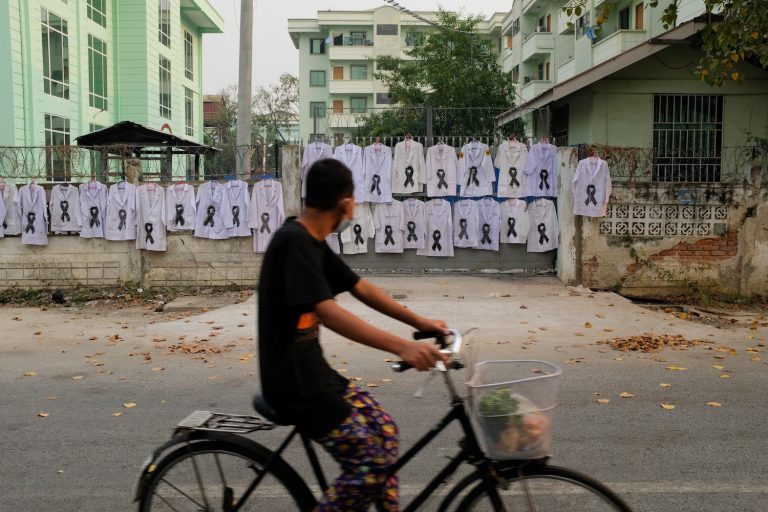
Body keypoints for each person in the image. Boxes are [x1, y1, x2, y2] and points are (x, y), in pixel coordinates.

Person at [258, 158, 448, 511]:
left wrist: (422, 324)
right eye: (354, 197)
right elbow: (329, 313)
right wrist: (403, 347)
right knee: (371, 465)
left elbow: (360, 288)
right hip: (294, 386)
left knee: (385, 431)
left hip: (316, 376)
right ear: (345, 203)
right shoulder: (294, 242)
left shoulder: (311, 239)